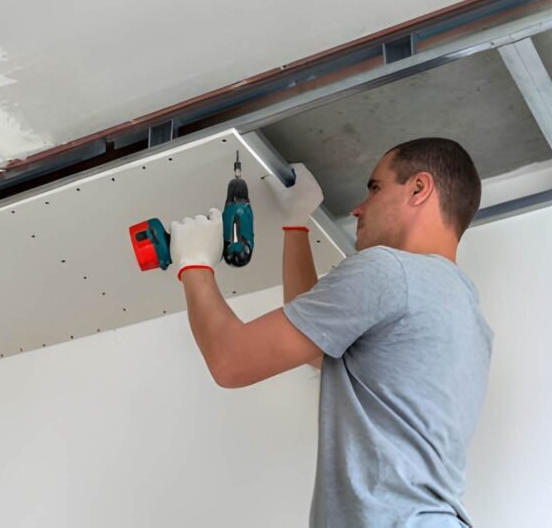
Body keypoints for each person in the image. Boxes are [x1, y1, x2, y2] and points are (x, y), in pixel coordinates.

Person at [170, 137, 493, 526]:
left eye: (375, 188)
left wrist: (194, 264)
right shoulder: (464, 312)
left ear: (419, 188)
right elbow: (316, 343)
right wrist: (296, 225)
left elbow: (231, 361)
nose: (358, 208)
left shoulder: (389, 270)